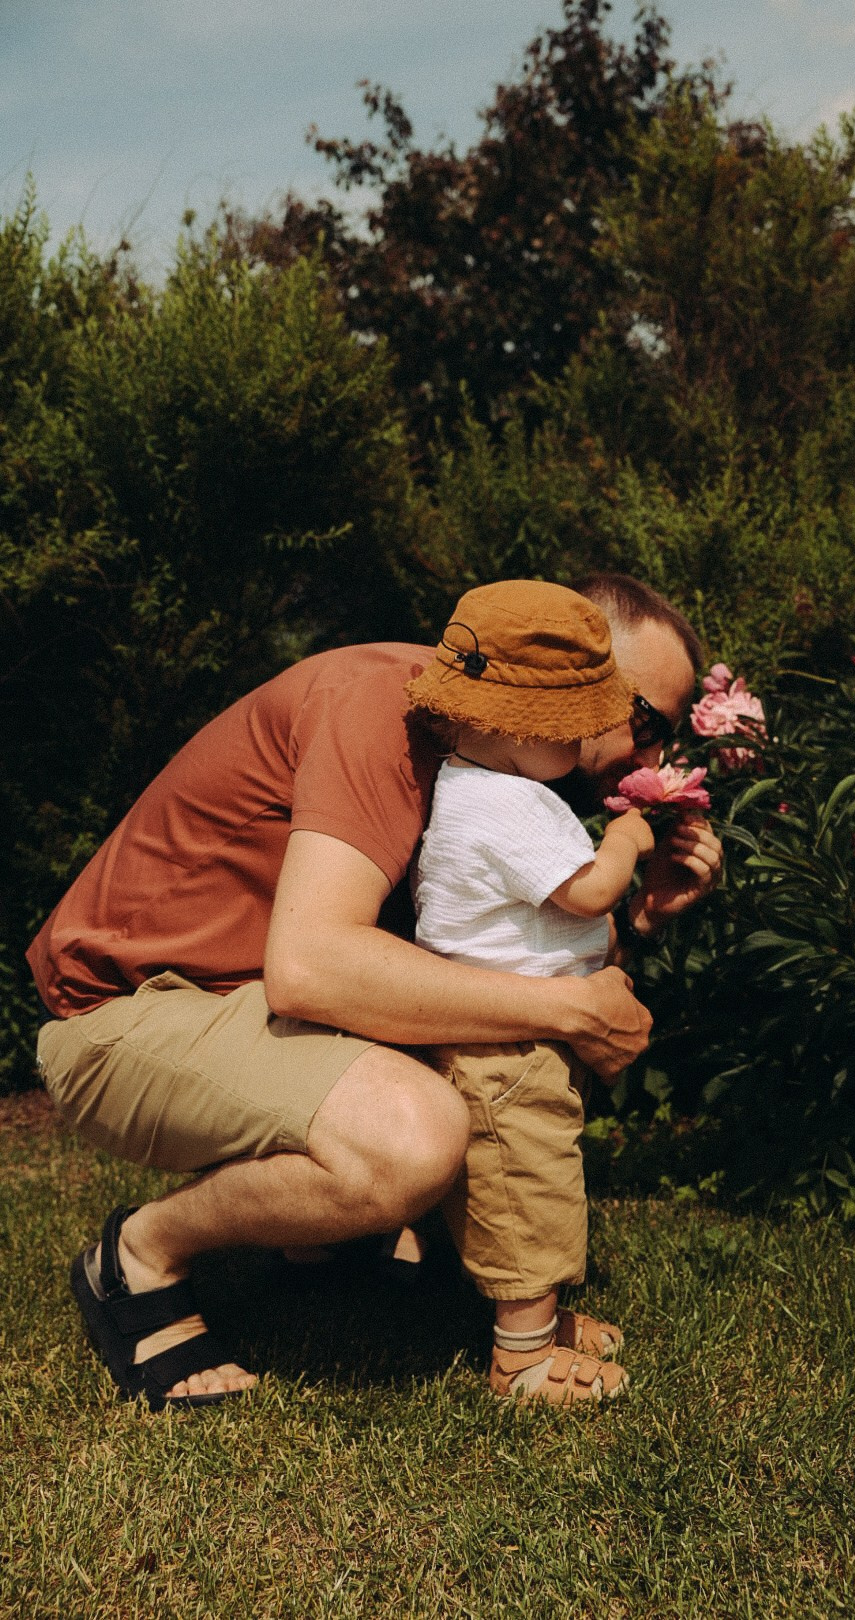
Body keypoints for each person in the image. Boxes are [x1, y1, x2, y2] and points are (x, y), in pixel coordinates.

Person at [27, 573, 720, 1410]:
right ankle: (136, 1256)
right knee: (412, 1135)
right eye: (643, 719)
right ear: (565, 672)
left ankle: (321, 1247)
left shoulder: (482, 759)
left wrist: (642, 918)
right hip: (124, 1011)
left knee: (481, 1051)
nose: (649, 758)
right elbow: (312, 965)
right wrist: (570, 1009)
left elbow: (486, 960)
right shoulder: (383, 711)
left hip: (244, 1000)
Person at [407, 581, 657, 1404]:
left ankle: (541, 1328)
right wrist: (626, 836)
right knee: (530, 1187)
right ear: (523, 728)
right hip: (509, 1047)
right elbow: (585, 894)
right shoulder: (513, 800)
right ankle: (522, 1361)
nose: (588, 742)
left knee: (518, 1180)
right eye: (575, 727)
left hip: (500, 1032)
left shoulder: (469, 783)